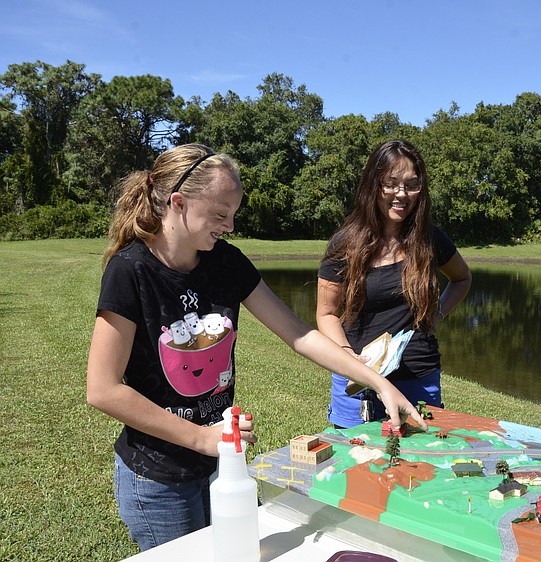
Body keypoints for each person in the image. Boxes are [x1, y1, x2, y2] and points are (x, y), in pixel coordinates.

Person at [86, 143, 426, 551]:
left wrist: (379, 382)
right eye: (219, 215)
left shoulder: (225, 262)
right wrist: (201, 438)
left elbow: (299, 334)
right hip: (158, 478)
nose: (228, 226)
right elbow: (103, 389)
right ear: (178, 203)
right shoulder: (131, 271)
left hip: (223, 465)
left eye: (232, 214)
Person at [316, 139, 471, 428]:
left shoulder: (430, 240)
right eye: (391, 184)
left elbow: (462, 278)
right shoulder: (345, 245)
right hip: (357, 382)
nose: (401, 193)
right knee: (354, 466)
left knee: (420, 467)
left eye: (411, 185)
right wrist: (349, 358)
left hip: (419, 379)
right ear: (373, 186)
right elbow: (326, 314)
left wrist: (437, 313)